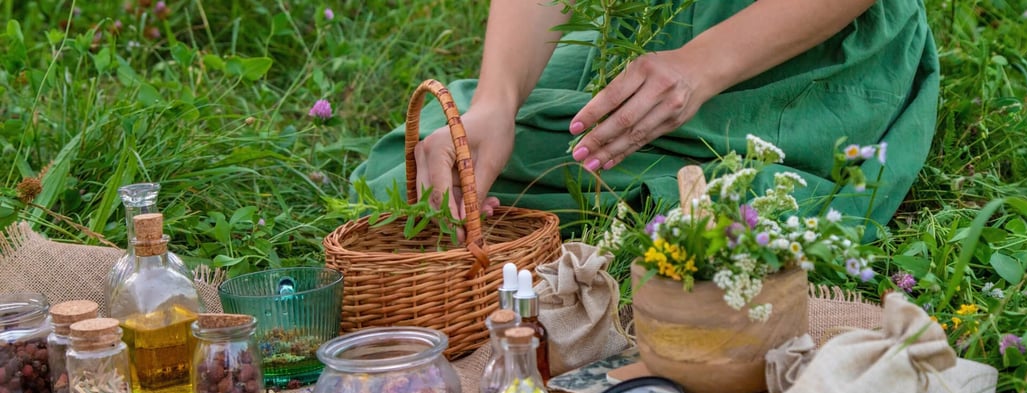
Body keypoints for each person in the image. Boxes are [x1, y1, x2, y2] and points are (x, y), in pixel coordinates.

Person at [351, 0, 938, 236]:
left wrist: (699, 69)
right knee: (419, 168)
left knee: (728, 194)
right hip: (666, 15)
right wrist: (497, 103)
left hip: (798, 29)